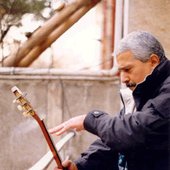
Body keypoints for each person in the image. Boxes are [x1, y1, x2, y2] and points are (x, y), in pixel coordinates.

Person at [49, 31, 170, 170]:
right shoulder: (142, 93)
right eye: (120, 72)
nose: (123, 79)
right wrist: (80, 166)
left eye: (128, 69)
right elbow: (114, 142)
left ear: (153, 61)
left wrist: (91, 120)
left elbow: (135, 131)